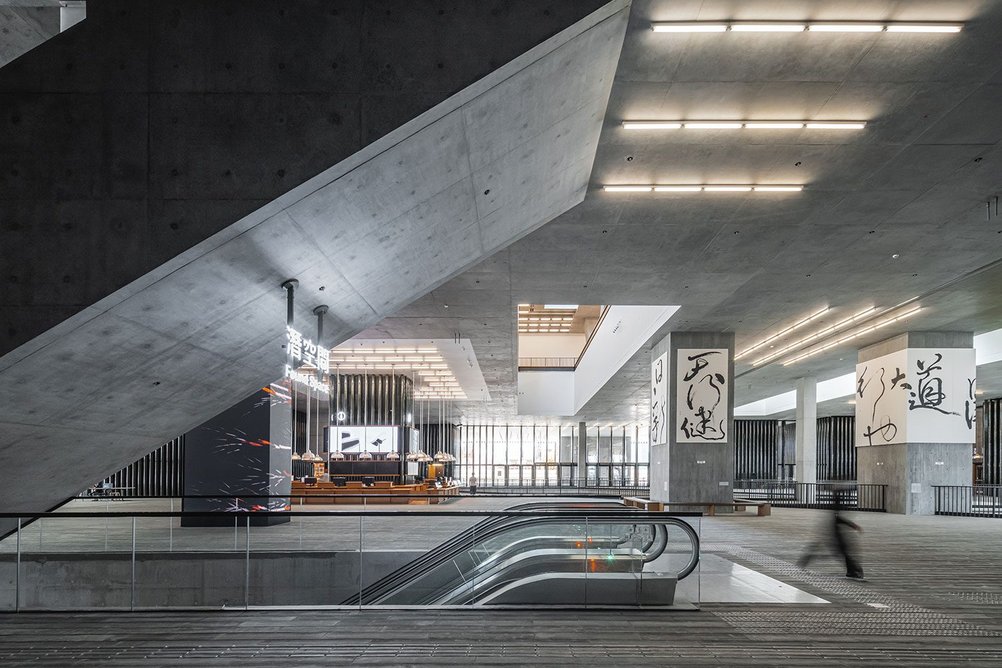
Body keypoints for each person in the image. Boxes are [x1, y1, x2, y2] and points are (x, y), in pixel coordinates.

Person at [797, 488, 865, 581]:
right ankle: (854, 571)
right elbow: (838, 518)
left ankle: (853, 571)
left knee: (841, 552)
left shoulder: (834, 509)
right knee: (842, 552)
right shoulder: (836, 510)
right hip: (834, 535)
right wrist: (853, 525)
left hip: (832, 534)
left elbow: (837, 518)